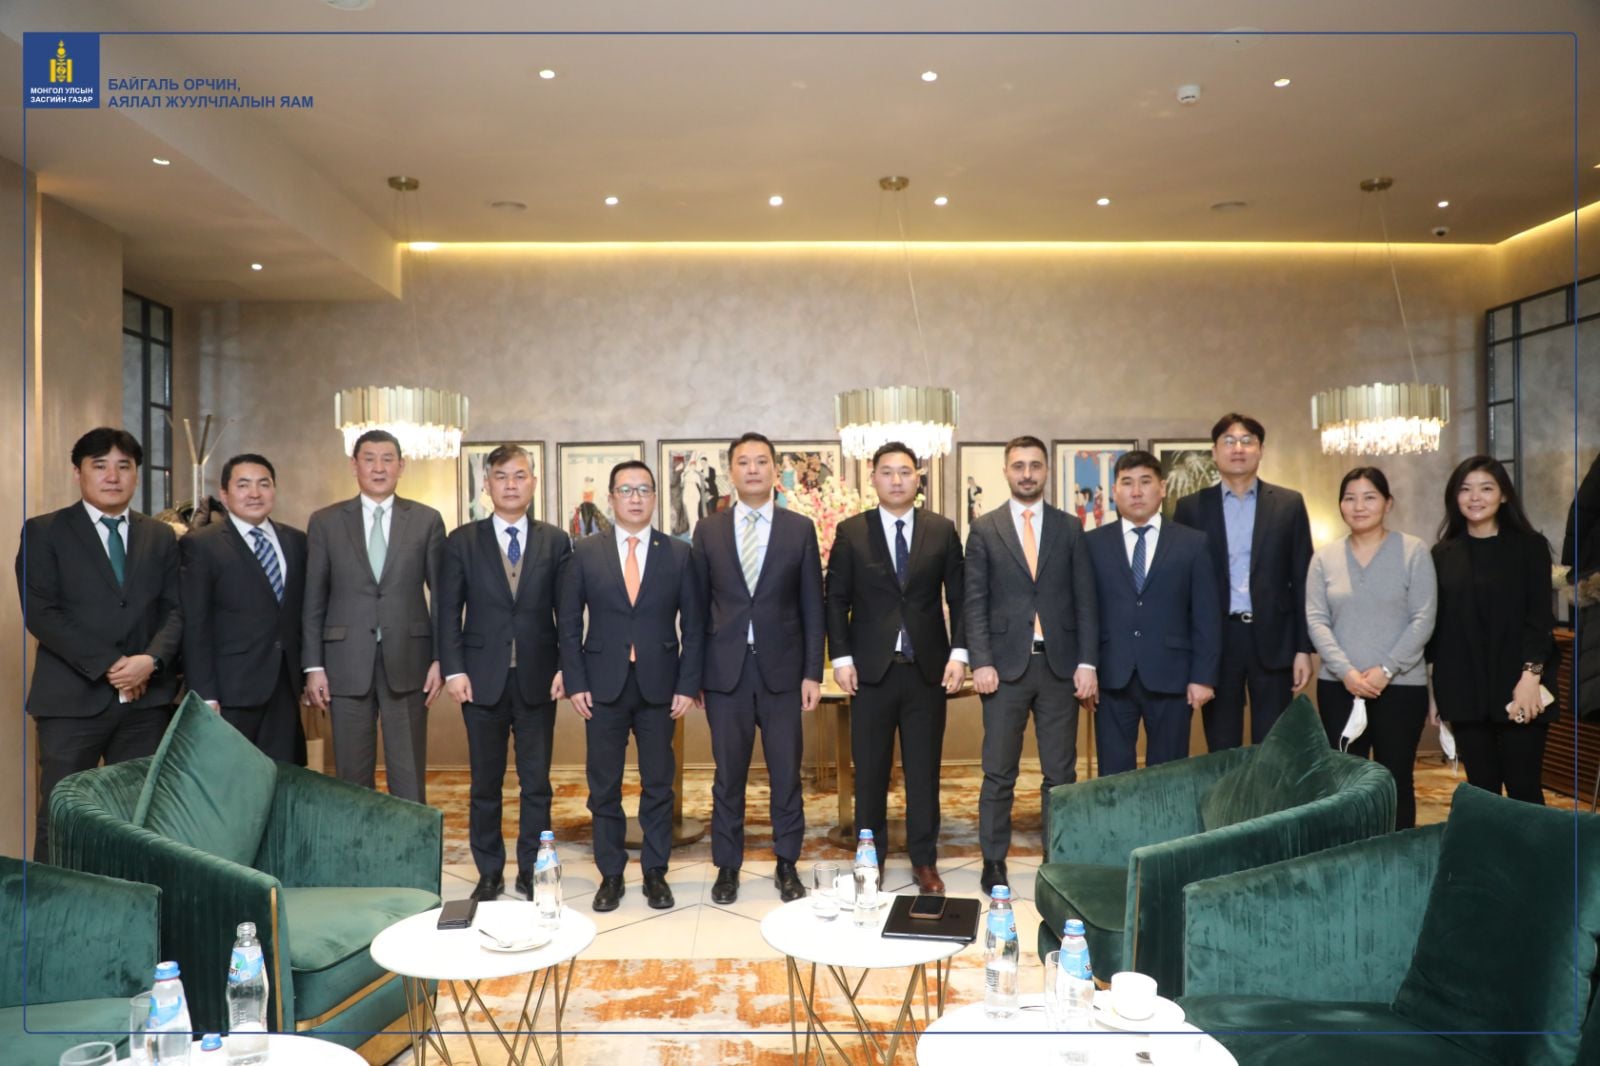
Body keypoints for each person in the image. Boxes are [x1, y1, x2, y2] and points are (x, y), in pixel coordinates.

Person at [17, 427, 182, 862]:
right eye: (100, 465)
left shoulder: (160, 536)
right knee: (63, 814)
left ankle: (134, 898)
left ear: (136, 474)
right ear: (78, 472)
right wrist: (113, 665)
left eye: (124, 466)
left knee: (142, 818)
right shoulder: (44, 532)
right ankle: (57, 900)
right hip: (72, 702)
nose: (113, 476)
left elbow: (175, 610)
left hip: (145, 705)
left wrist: (151, 660)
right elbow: (42, 613)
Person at [559, 461, 703, 911]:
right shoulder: (586, 552)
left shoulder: (677, 553)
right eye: (626, 490)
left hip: (661, 686)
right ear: (611, 498)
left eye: (644, 489)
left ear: (655, 497)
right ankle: (611, 874)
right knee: (604, 785)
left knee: (659, 784)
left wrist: (688, 684)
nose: (635, 497)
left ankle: (656, 872)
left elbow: (694, 626)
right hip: (602, 686)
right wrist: (575, 681)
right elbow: (568, 623)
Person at [826, 442, 966, 893]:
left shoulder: (941, 530)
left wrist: (960, 654)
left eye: (905, 471)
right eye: (887, 472)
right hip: (871, 672)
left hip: (927, 670)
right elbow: (836, 601)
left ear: (918, 477)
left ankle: (925, 861)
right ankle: (871, 860)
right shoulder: (852, 532)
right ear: (873, 478)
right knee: (870, 773)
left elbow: (960, 597)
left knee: (924, 773)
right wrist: (841, 658)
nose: (897, 480)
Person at [692, 431, 824, 904]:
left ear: (774, 470)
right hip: (724, 673)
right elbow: (696, 608)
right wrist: (694, 676)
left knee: (786, 775)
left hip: (783, 673)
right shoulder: (708, 530)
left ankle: (787, 864)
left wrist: (813, 672)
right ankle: (727, 867)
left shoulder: (798, 529)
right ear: (731, 471)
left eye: (761, 461)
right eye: (744, 462)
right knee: (728, 777)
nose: (752, 469)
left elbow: (813, 605)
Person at [964, 435, 1098, 893]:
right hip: (1003, 670)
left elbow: (1085, 600)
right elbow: (974, 601)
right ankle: (993, 861)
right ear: (1006, 471)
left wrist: (1087, 663)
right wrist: (981, 661)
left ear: (1046, 471)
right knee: (999, 772)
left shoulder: (1070, 527)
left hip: (1060, 669)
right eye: (1018, 465)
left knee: (1060, 775)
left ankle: (1056, 859)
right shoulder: (985, 529)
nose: (1027, 473)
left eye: (1035, 465)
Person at [437, 444, 569, 901]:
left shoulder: (555, 541)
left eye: (519, 475)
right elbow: (447, 612)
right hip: (480, 679)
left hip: (538, 677)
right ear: (487, 484)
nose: (511, 484)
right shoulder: (462, 541)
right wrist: (453, 670)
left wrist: (566, 667)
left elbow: (567, 613)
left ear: (533, 482)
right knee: (484, 785)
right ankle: (489, 872)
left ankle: (532, 869)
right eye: (501, 476)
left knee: (537, 785)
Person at [302, 429, 445, 804]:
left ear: (401, 466)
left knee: (409, 777)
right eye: (369, 459)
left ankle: (411, 841)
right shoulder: (326, 522)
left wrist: (440, 658)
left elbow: (442, 597)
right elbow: (313, 599)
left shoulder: (426, 520)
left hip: (410, 662)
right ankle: (358, 843)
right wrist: (313, 666)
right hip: (344, 662)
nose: (378, 468)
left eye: (387, 459)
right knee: (352, 777)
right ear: (354, 465)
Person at [1305, 467, 1437, 828]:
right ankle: (1352, 854)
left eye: (1369, 497)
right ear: (1340, 506)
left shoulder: (1413, 551)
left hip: (1401, 687)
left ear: (1388, 503)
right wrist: (1346, 672)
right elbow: (1317, 620)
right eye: (1350, 498)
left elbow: (1423, 618)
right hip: (1339, 687)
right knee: (1345, 782)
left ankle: (1398, 854)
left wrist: (1387, 669)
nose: (1359, 506)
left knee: (1396, 779)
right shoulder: (1324, 558)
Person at [1173, 413, 1313, 749]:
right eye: (1229, 441)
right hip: (1216, 641)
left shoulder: (1288, 504)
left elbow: (1303, 579)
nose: (1238, 448)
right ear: (1214, 451)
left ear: (1261, 450)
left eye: (1247, 441)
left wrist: (1303, 649)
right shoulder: (1191, 508)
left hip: (1274, 639)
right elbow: (1182, 589)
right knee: (1222, 744)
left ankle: (1270, 790)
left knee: (1274, 744)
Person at [1428, 456, 1556, 804]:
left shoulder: (1529, 547)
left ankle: (1533, 847)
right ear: (1454, 496)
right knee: (1482, 791)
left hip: (1520, 684)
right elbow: (1440, 630)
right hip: (1464, 686)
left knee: (1523, 787)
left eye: (1486, 488)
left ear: (1503, 496)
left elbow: (1539, 619)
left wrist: (1530, 677)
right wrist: (1436, 691)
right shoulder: (1442, 554)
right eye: (1465, 489)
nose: (1475, 497)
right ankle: (1490, 845)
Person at [1084, 451, 1219, 776]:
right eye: (1127, 483)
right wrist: (1086, 668)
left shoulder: (1192, 543)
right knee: (1113, 776)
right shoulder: (1092, 544)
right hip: (1111, 677)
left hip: (1172, 676)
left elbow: (1206, 616)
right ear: (1114, 491)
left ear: (1162, 487)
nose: (1136, 491)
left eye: (1145, 482)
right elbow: (1084, 612)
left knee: (1168, 775)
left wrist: (1203, 677)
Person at [179, 453, 308, 764]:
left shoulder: (297, 541)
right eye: (243, 485)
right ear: (224, 494)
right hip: (230, 690)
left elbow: (303, 613)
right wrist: (204, 695)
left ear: (274, 490)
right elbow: (195, 625)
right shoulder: (202, 544)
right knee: (231, 780)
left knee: (282, 778)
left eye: (264, 484)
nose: (255, 493)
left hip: (285, 687)